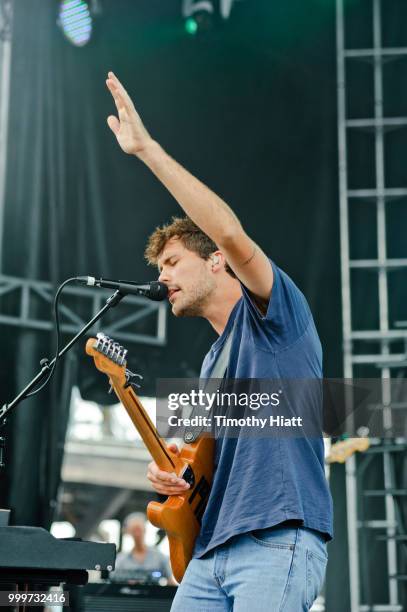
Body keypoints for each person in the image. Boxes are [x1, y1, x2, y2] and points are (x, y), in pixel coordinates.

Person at [106, 71, 333, 611]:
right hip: (207, 553)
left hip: (276, 538)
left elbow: (230, 233)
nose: (163, 278)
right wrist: (169, 473)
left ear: (214, 262)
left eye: (172, 262)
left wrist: (148, 151)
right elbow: (198, 462)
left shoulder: (276, 313)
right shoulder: (210, 361)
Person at [110, 512, 172, 583]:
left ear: (145, 529)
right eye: (134, 530)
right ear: (129, 532)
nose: (137, 534)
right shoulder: (121, 559)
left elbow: (170, 581)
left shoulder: (159, 557)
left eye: (139, 529)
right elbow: (112, 580)